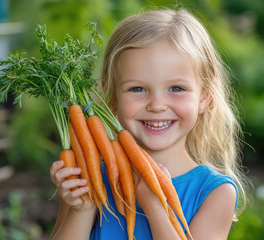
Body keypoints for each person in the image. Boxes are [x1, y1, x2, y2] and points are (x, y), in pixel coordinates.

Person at [49, 8, 248, 240]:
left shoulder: (215, 192)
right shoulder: (89, 178)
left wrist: (155, 207)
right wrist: (81, 209)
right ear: (111, 96)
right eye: (137, 89)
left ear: (204, 96)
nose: (157, 105)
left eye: (176, 88)